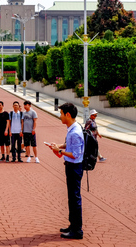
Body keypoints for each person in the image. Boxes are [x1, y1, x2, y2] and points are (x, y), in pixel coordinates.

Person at [48, 102, 84, 240]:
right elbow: (71, 146)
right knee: (72, 197)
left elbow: (75, 153)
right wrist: (59, 146)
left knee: (74, 198)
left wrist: (60, 151)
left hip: (74, 167)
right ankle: (73, 225)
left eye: (61, 113)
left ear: (68, 114)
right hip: (72, 166)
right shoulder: (73, 128)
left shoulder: (75, 132)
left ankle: (77, 230)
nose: (60, 116)